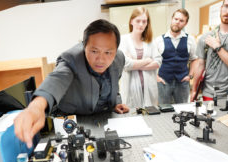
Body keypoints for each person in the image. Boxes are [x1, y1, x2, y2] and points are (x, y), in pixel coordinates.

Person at [14, 19, 150, 148]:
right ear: (84, 46)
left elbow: (114, 84)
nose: (101, 59)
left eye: (108, 52)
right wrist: (36, 107)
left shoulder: (118, 58)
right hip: (70, 123)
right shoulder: (72, 59)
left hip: (103, 122)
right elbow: (56, 80)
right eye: (94, 51)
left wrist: (114, 104)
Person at [191, 0, 228, 101]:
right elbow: (200, 65)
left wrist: (217, 47)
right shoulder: (205, 37)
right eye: (226, 6)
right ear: (221, 7)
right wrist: (194, 90)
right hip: (208, 93)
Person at [154, 8, 197, 104]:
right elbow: (152, 60)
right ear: (172, 19)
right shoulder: (158, 40)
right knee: (164, 110)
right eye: (176, 19)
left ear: (185, 23)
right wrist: (156, 76)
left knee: (183, 110)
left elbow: (194, 59)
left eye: (181, 20)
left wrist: (190, 76)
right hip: (163, 82)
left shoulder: (190, 40)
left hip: (183, 82)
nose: (177, 22)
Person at [119, 7, 159, 108]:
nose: (141, 24)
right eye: (138, 21)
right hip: (130, 91)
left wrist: (135, 62)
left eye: (144, 21)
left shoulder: (151, 41)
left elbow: (158, 62)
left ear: (147, 23)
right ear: (131, 21)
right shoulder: (123, 40)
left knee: (151, 120)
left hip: (149, 91)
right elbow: (126, 64)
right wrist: (148, 60)